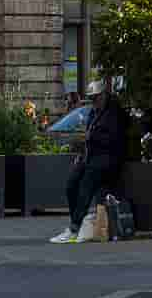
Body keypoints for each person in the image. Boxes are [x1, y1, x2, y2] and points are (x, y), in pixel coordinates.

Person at [52, 82, 129, 244]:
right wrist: (82, 152)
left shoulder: (114, 114)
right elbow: (89, 136)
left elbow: (114, 139)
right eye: (91, 99)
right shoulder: (94, 113)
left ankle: (74, 227)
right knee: (71, 184)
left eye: (96, 99)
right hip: (92, 156)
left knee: (86, 185)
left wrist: (91, 138)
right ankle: (75, 223)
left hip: (107, 158)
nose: (94, 102)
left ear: (103, 96)